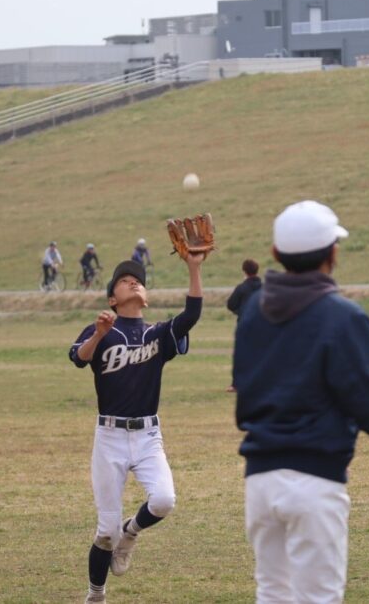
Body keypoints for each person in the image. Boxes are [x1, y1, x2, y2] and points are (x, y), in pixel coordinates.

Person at [233, 200, 369, 603]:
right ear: (333, 253)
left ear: (275, 254)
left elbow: (244, 381)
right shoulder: (342, 316)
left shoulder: (253, 310)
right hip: (314, 480)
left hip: (260, 480)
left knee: (272, 594)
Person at [69, 253, 207, 604]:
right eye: (124, 279)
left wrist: (194, 267)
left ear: (145, 296)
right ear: (112, 299)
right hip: (109, 437)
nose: (134, 281)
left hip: (147, 435)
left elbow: (191, 315)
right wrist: (98, 335)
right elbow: (79, 358)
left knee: (163, 500)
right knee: (104, 533)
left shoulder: (157, 333)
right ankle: (96, 595)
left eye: (139, 280)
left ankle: (132, 532)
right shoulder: (103, 328)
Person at [225, 259, 262, 392]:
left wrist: (240, 311)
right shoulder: (265, 288)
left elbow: (230, 304)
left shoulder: (242, 288)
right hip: (263, 325)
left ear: (244, 271)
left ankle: (236, 384)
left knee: (241, 354)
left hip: (245, 325)